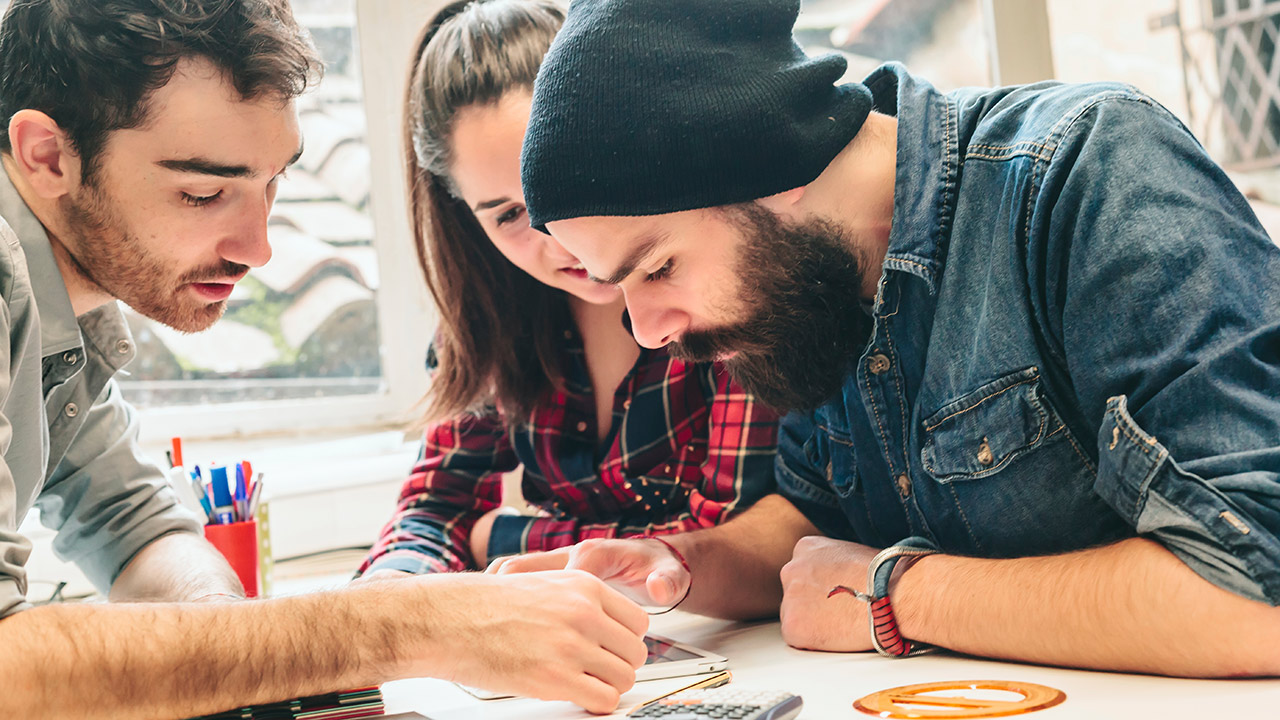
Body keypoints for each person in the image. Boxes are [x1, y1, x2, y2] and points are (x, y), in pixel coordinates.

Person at [495, 0, 1280, 677]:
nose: (648, 331)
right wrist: (679, 566)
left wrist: (897, 596)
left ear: (775, 167)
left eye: (659, 268)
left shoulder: (1087, 168)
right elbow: (812, 527)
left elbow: (1258, 590)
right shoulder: (811, 284)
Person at [0, 2, 646, 717]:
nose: (259, 248)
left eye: (271, 184)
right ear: (47, 156)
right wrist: (409, 625)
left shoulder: (70, 314)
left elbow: (130, 523)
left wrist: (227, 657)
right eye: (204, 193)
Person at [355, 0, 778, 581]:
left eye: (559, 185)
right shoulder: (490, 319)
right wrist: (388, 596)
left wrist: (502, 536)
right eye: (507, 215)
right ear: (465, 223)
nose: (558, 241)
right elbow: (432, 512)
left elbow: (722, 536)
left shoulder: (722, 289)